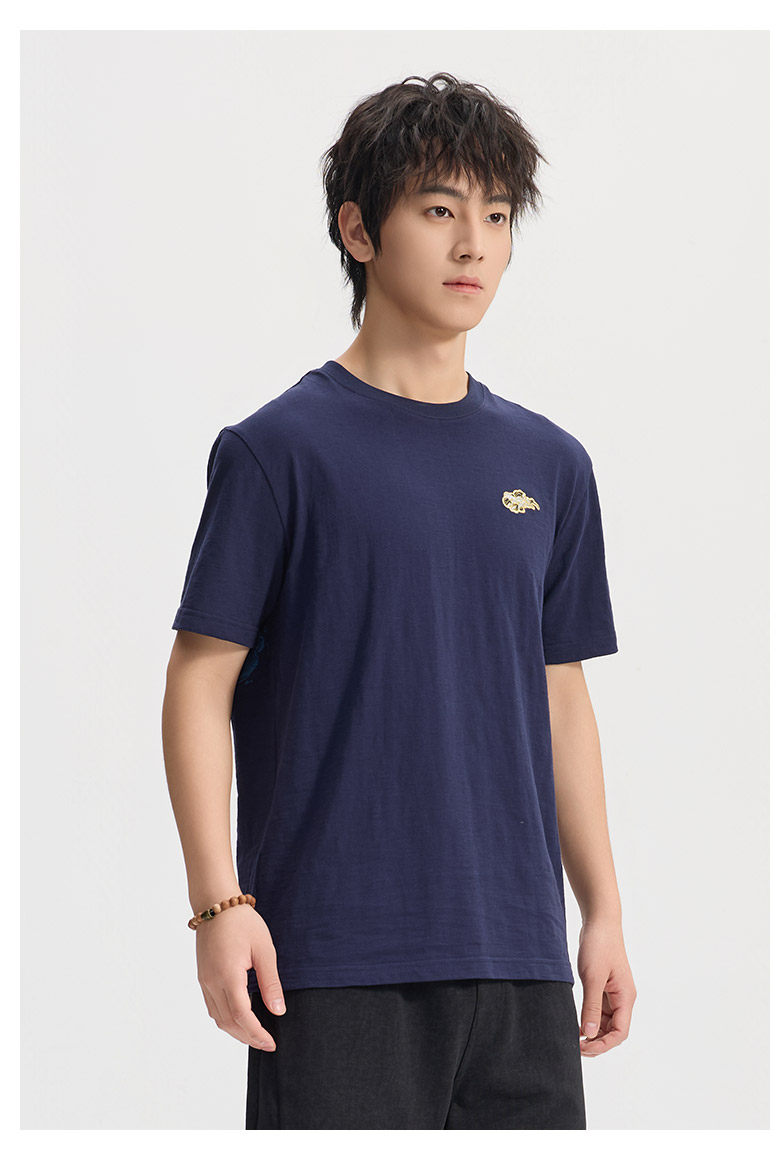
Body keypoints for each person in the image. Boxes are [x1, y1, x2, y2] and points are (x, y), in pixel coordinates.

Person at [162, 71, 636, 1130]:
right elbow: (198, 682)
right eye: (438, 210)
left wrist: (601, 910)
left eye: (497, 217)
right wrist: (217, 903)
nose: (474, 245)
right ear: (358, 230)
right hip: (334, 961)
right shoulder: (277, 452)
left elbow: (560, 697)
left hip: (519, 961)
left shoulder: (551, 465)